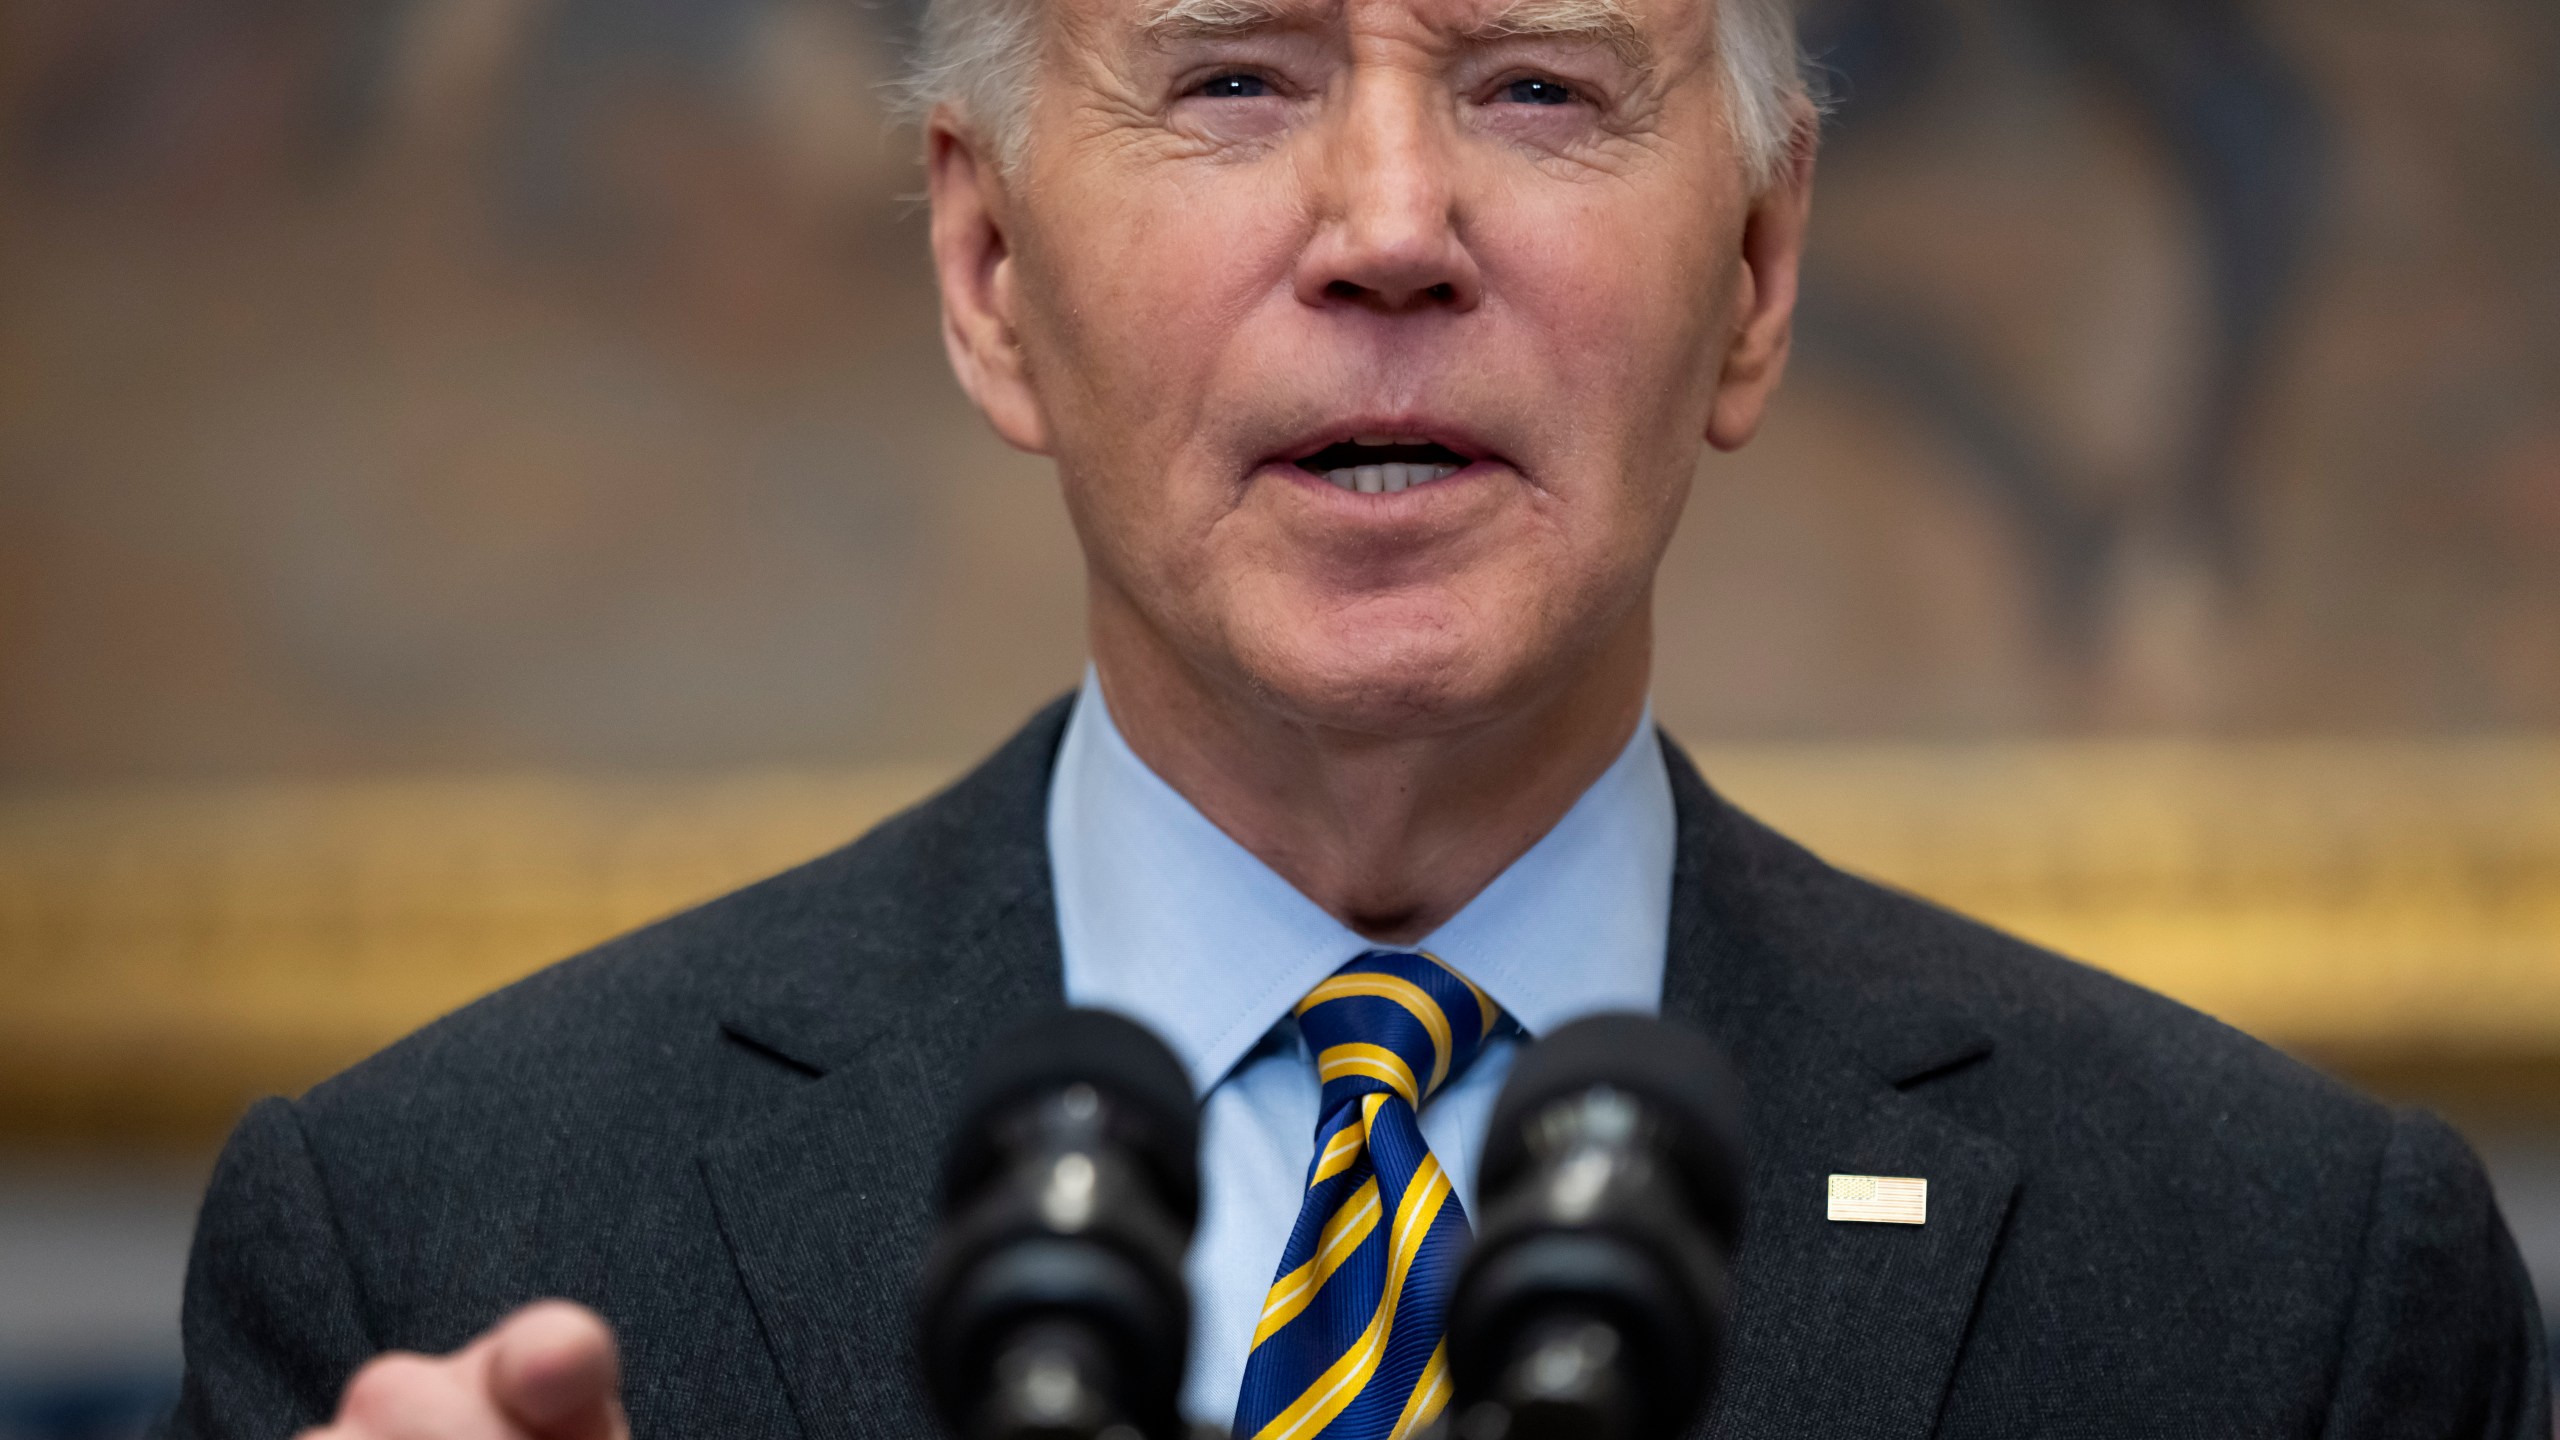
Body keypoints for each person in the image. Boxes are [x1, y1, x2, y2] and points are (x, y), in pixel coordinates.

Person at [161, 0, 2549, 1432]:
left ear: (1754, 271)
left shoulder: (2284, 1291)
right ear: (986, 273)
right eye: (1230, 76)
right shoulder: (432, 1249)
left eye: (1530, 83)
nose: (1389, 222)